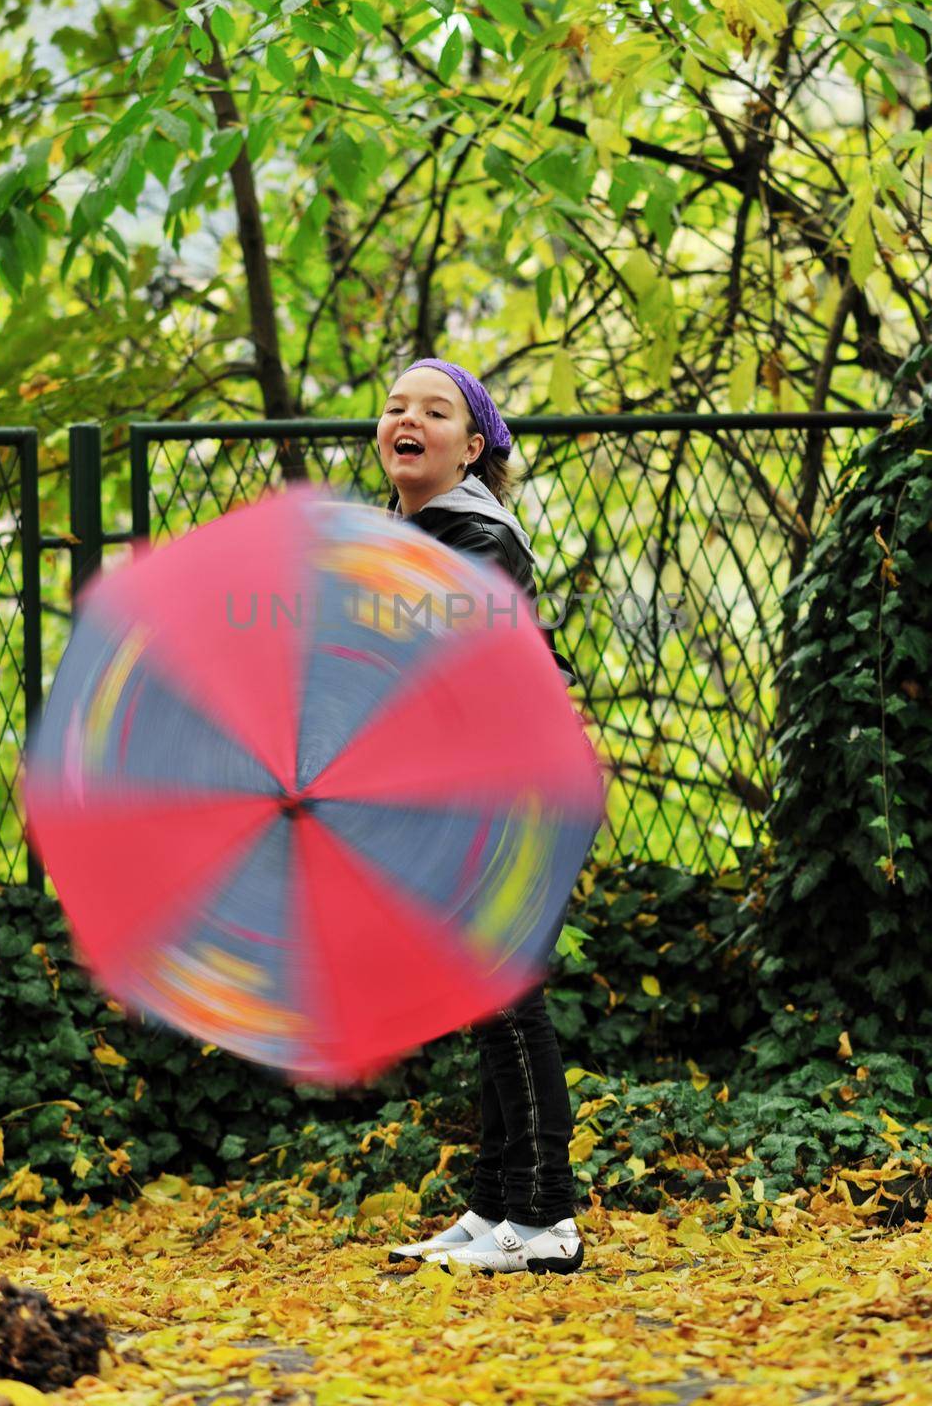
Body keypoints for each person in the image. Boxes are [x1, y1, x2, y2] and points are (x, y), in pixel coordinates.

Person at [377, 357, 597, 1276]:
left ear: (470, 448)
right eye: (395, 406)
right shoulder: (423, 531)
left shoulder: (473, 537)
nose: (407, 417)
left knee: (506, 996)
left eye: (434, 410)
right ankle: (494, 1207)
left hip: (504, 793)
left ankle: (547, 1219)